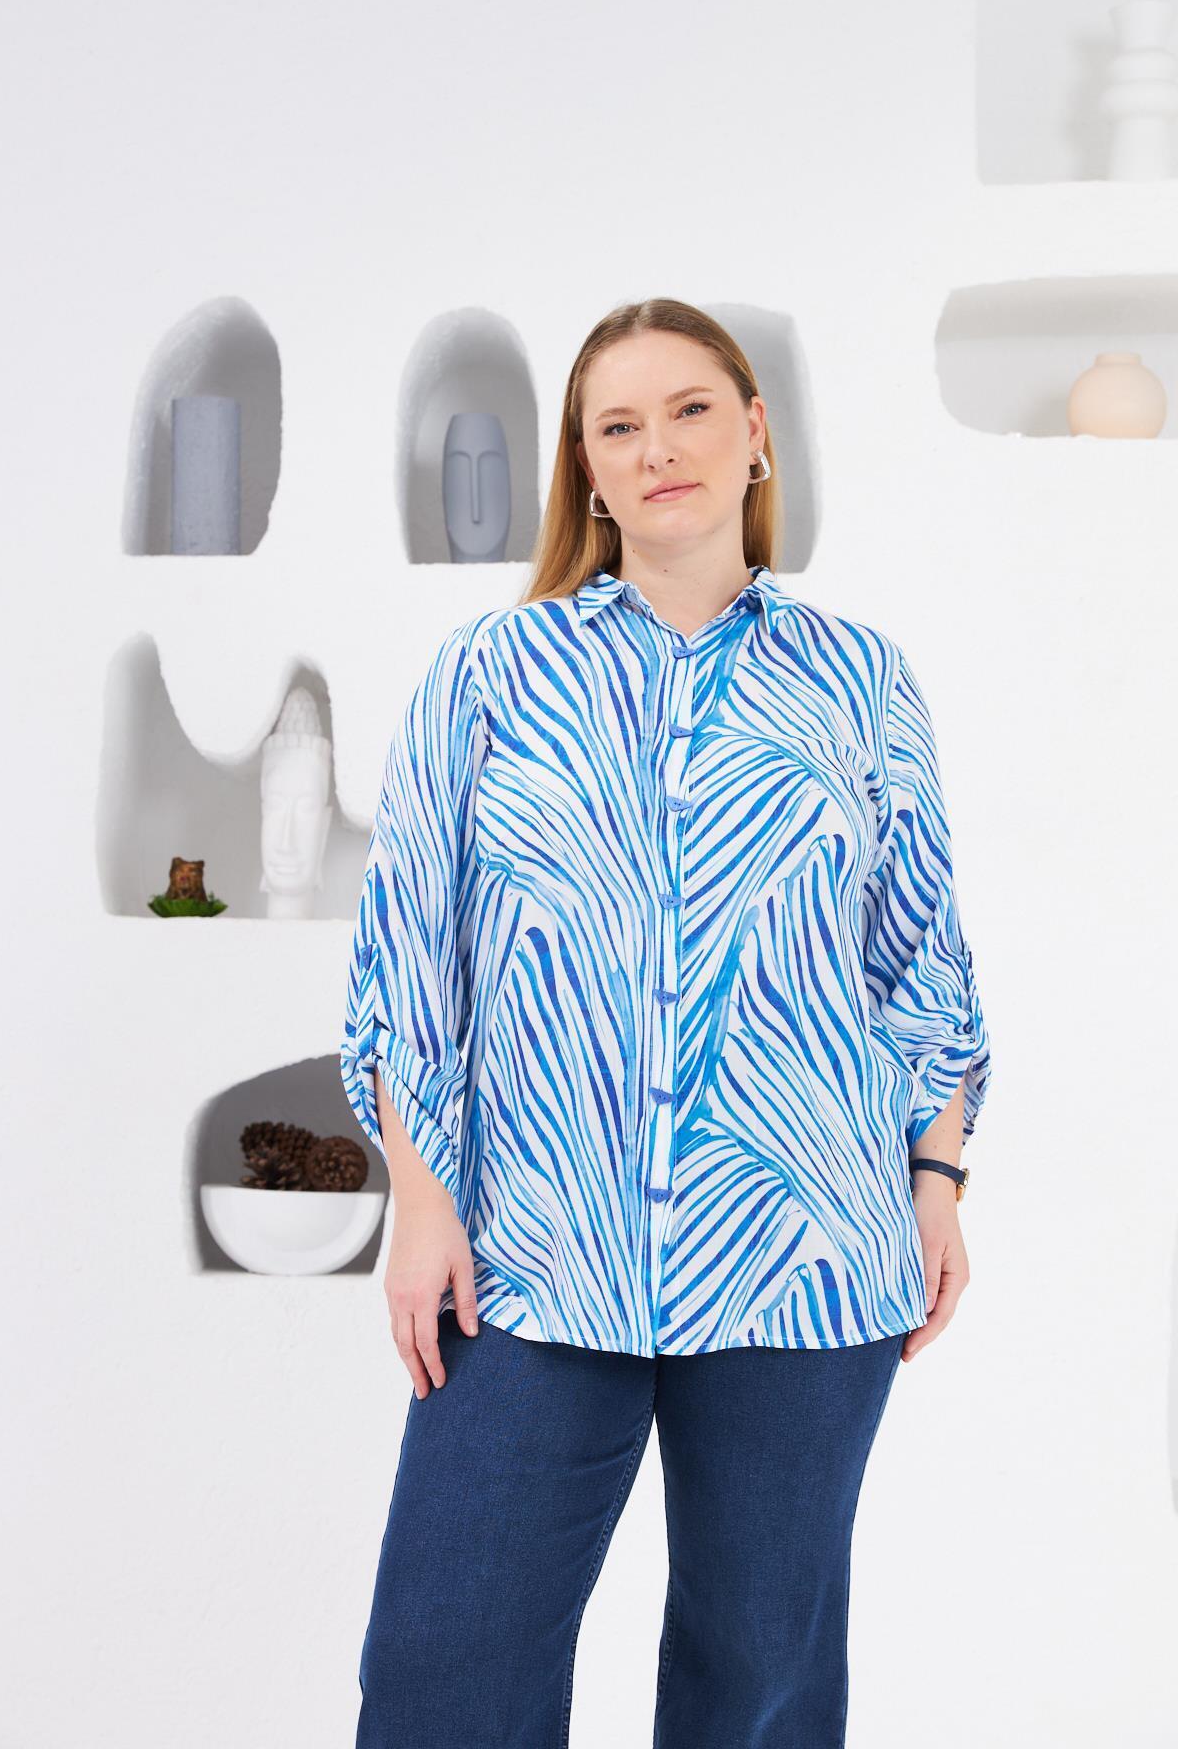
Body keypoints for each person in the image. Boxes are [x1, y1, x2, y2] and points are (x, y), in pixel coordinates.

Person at [339, 297, 992, 1748]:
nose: (659, 448)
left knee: (758, 1685)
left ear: (755, 433)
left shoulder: (861, 678)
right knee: (446, 1667)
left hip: (804, 1251)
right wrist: (421, 1202)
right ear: (588, 469)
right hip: (531, 1253)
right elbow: (410, 961)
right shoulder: (488, 674)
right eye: (619, 426)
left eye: (690, 410)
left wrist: (937, 1178)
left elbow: (919, 958)